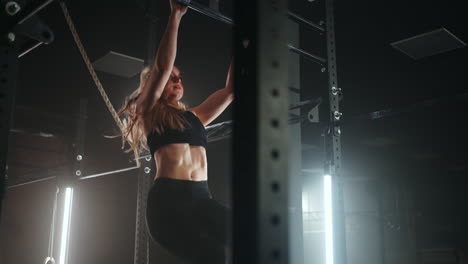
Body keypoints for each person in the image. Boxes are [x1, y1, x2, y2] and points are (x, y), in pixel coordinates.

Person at [117, 0, 233, 263]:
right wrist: (176, 15)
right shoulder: (147, 111)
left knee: (250, 234)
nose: (178, 80)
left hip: (203, 200)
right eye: (173, 78)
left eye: (181, 78)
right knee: (212, 256)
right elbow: (161, 68)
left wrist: (248, 42)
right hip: (169, 204)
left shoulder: (195, 117)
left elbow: (230, 91)